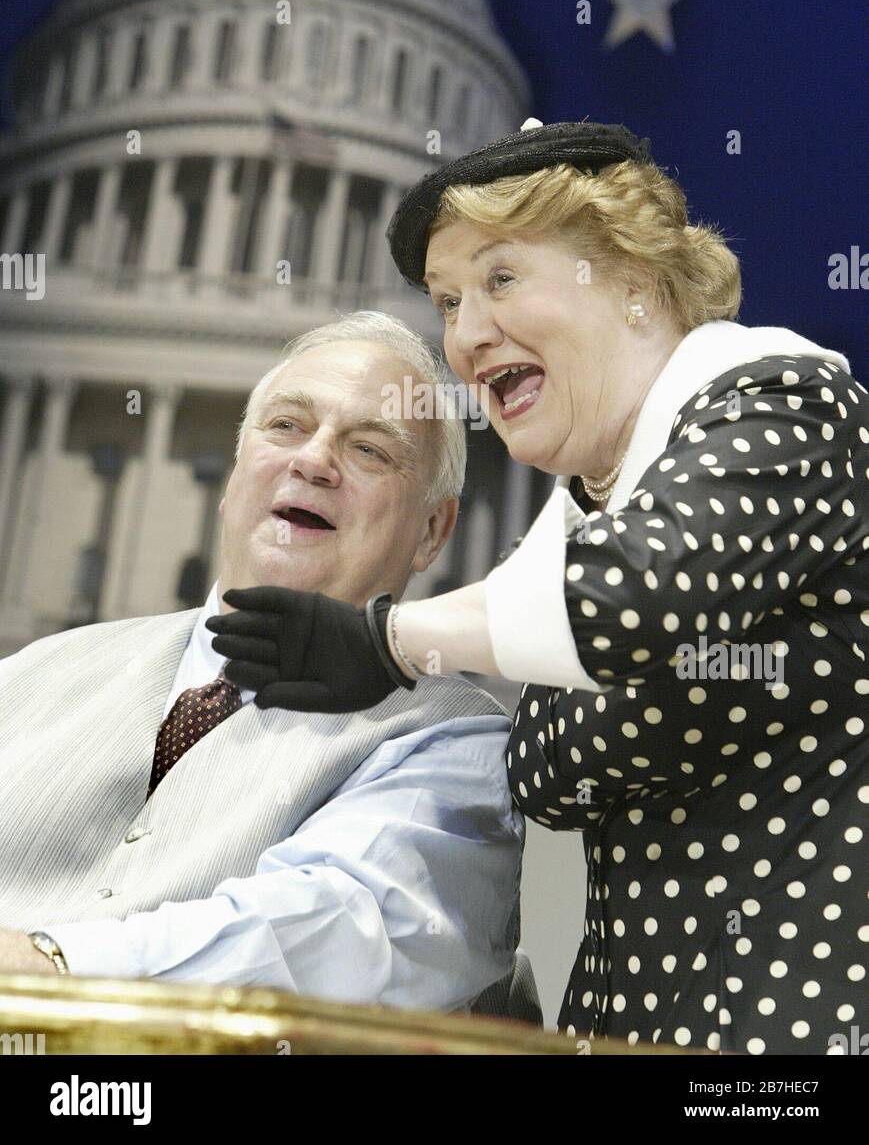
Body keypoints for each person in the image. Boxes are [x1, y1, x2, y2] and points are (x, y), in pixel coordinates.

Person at [209, 120, 868, 1056]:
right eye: (446, 300)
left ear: (635, 282)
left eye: (501, 279)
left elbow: (632, 601)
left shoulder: (787, 402)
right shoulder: (566, 537)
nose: (467, 335)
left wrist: (385, 642)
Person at [0, 313, 539, 1023]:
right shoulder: (32, 673)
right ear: (232, 480)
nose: (313, 460)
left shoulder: (454, 740)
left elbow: (337, 936)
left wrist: (50, 967)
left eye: (371, 449)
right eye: (285, 426)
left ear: (432, 532)